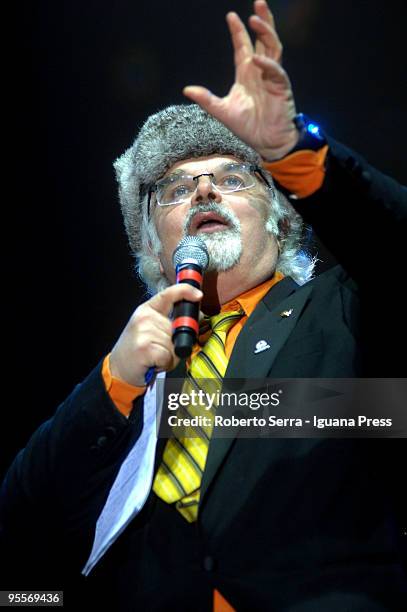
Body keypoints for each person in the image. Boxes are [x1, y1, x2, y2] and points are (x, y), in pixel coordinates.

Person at [1, 1, 406, 610]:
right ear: (153, 245)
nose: (204, 190)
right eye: (174, 188)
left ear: (279, 221)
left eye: (234, 178)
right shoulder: (129, 377)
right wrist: (111, 385)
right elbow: (23, 527)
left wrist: (291, 151)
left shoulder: (343, 313)